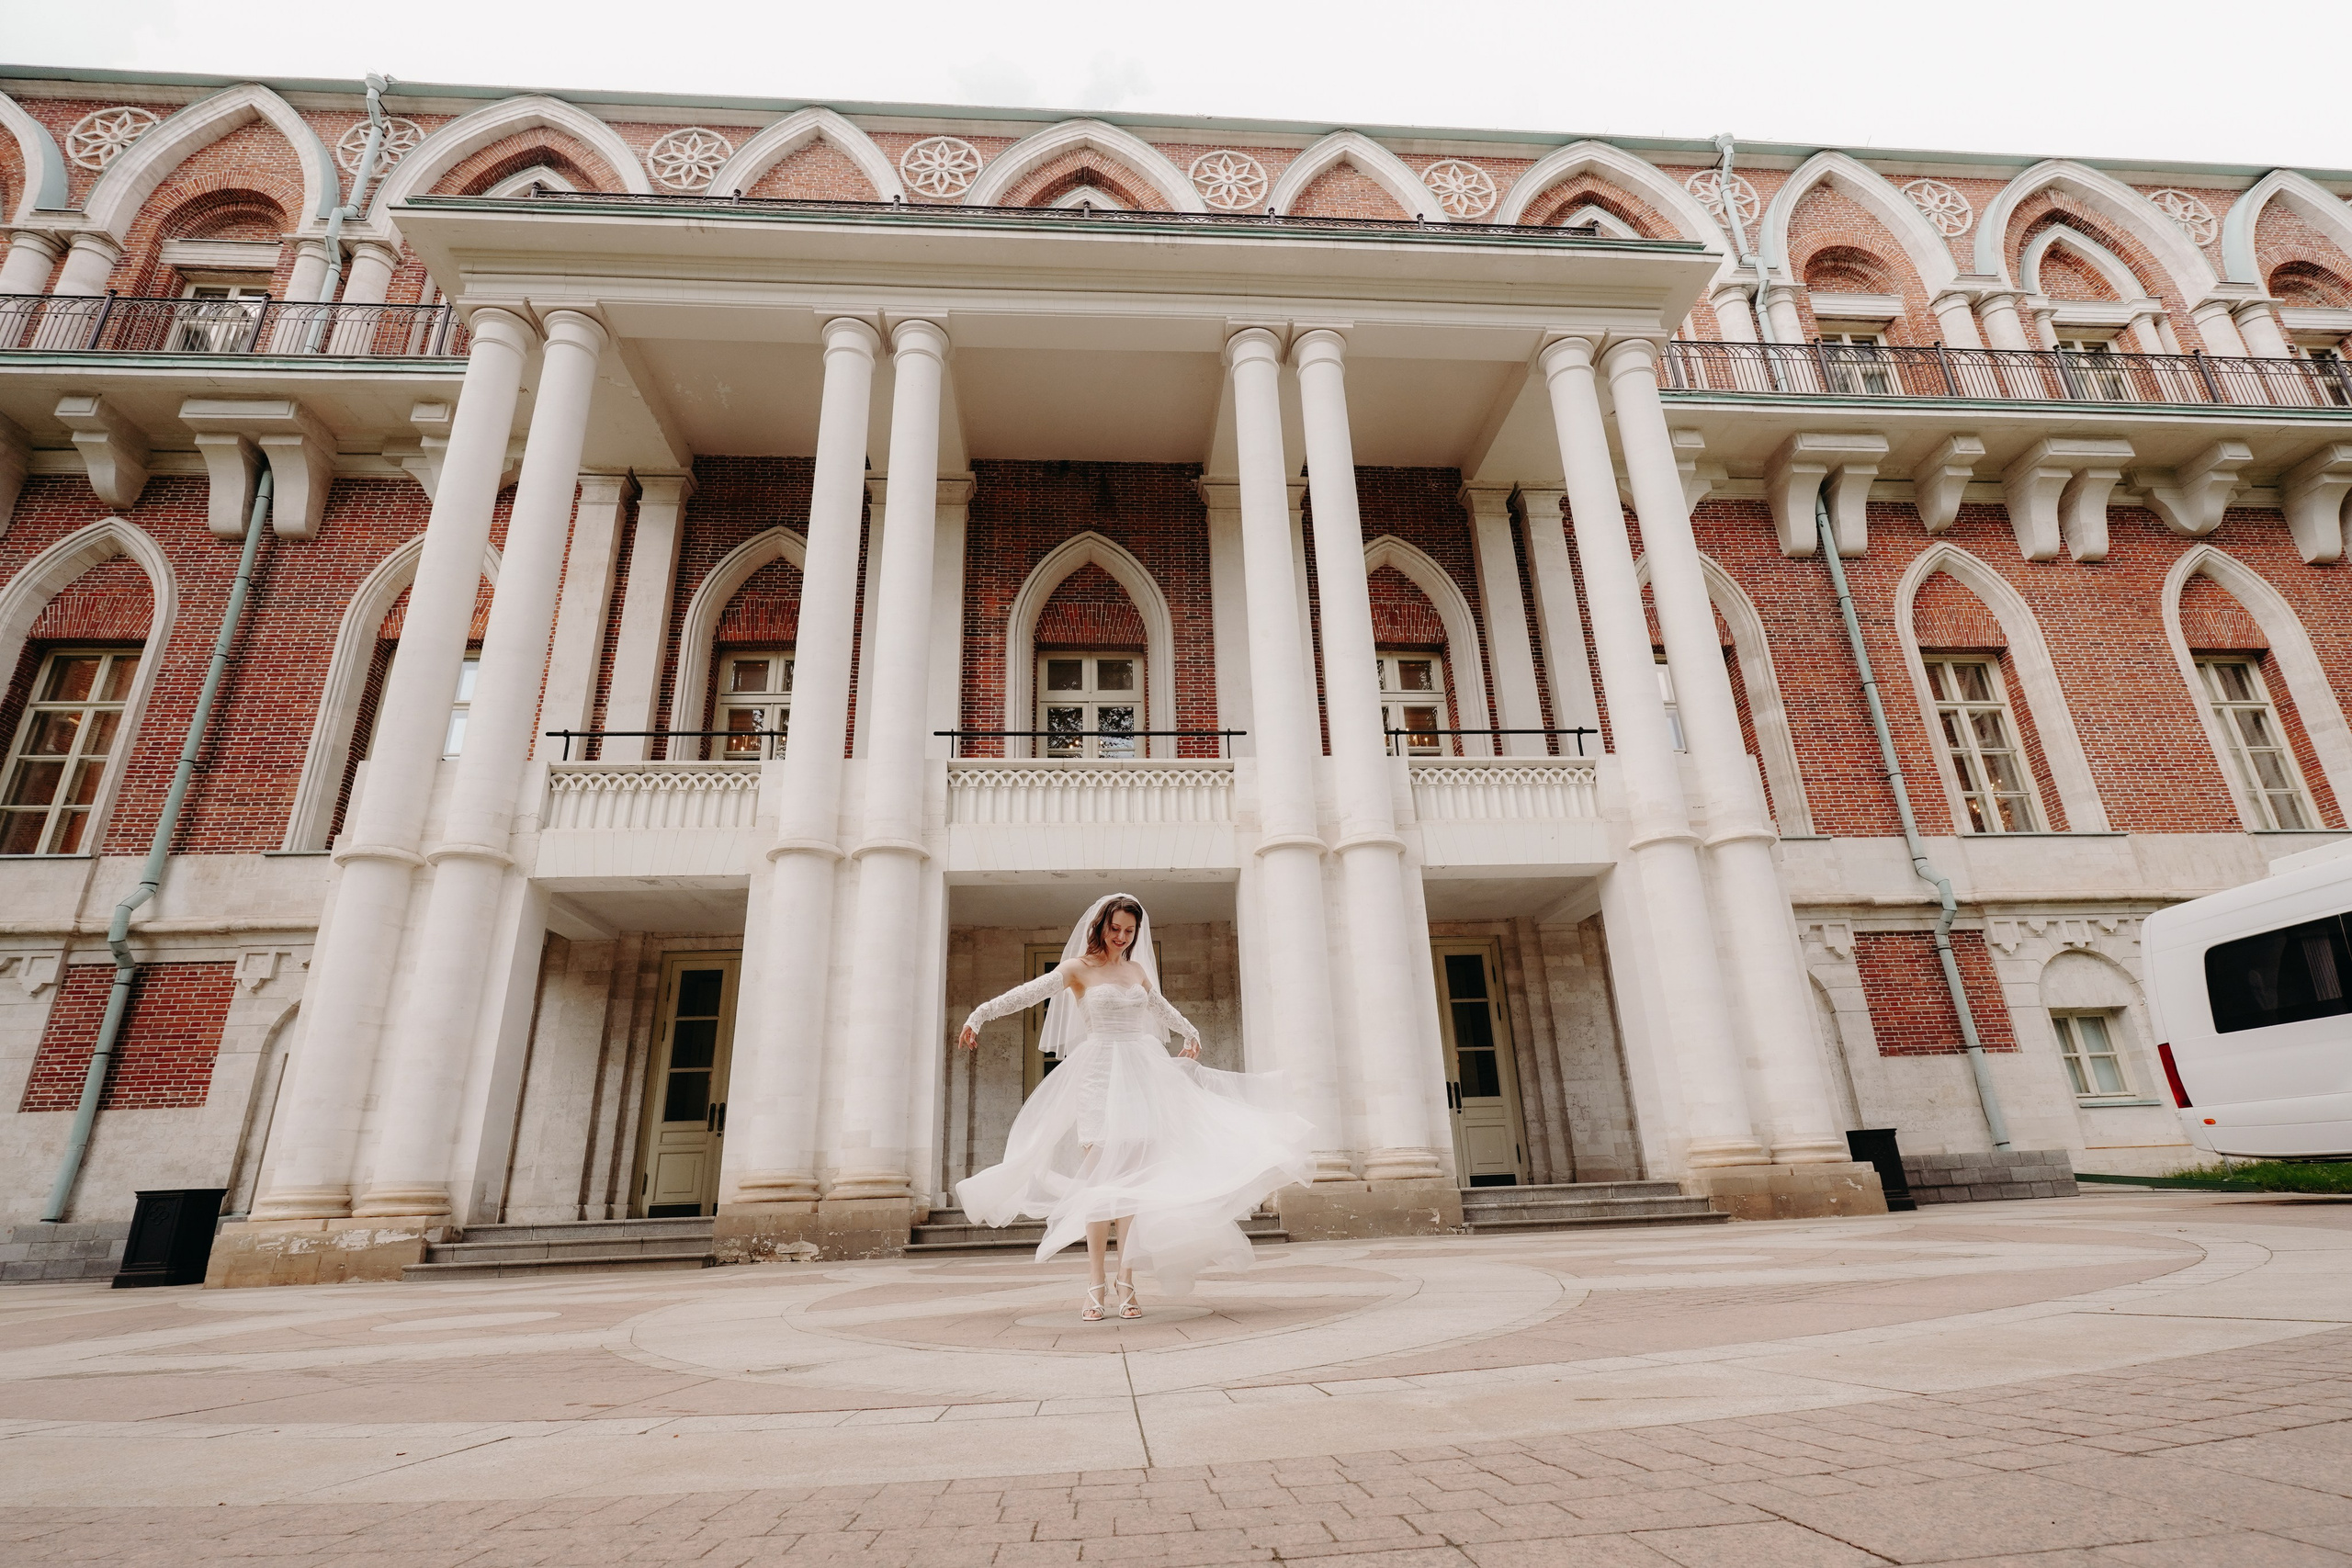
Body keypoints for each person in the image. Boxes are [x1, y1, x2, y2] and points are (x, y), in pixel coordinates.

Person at [955, 893, 1315, 1321]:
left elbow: (1159, 1007)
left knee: (1131, 1186)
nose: (1122, 937)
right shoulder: (1076, 969)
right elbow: (1027, 994)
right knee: (1098, 1184)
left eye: (1129, 931)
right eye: (1116, 928)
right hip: (1097, 1076)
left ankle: (1126, 1284)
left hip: (1141, 1078)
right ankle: (1094, 1285)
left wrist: (1191, 1032)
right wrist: (979, 1015)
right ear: (1100, 925)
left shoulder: (1137, 970)